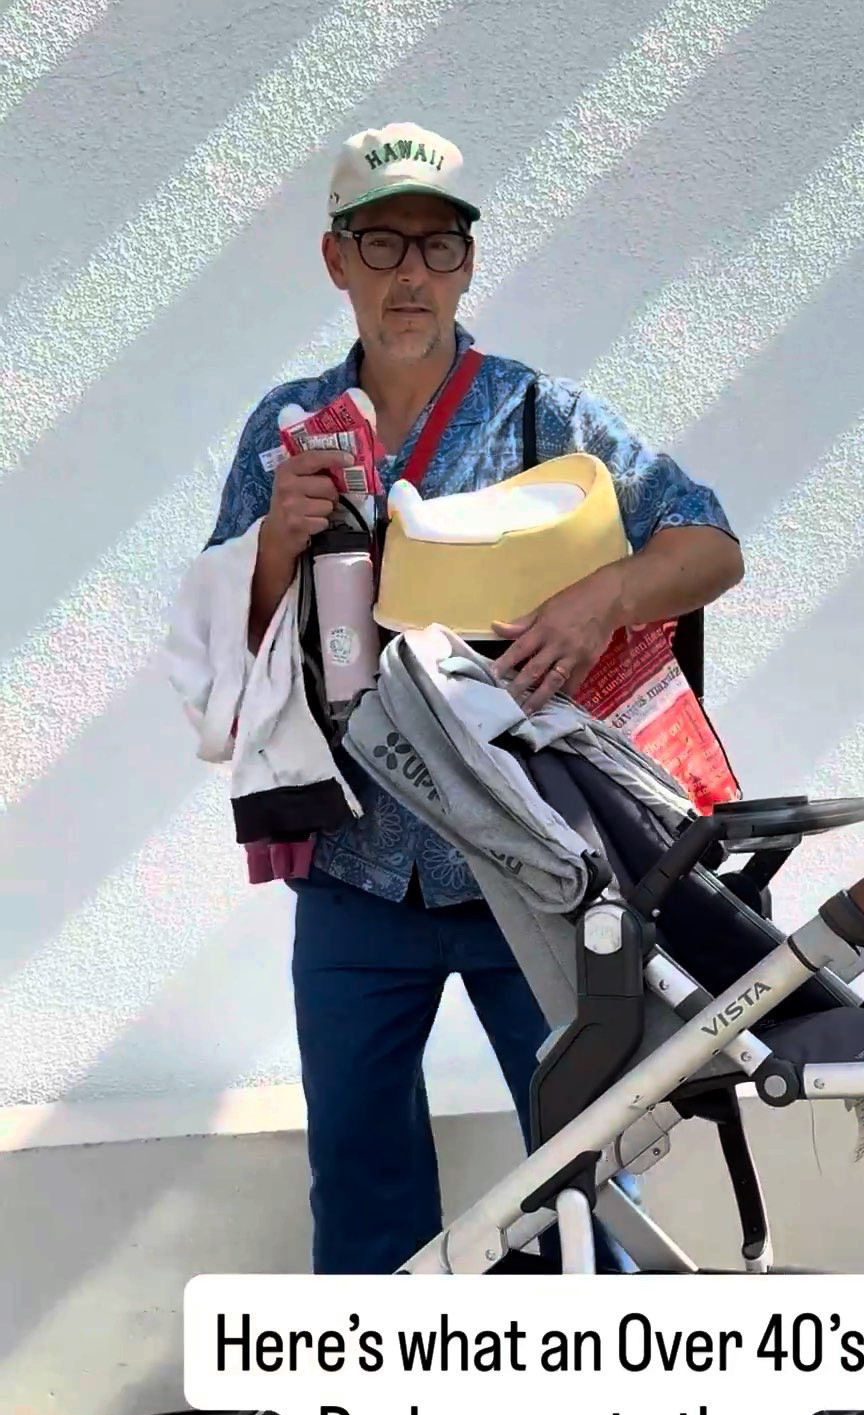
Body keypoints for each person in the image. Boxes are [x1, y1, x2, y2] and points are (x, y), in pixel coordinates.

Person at [204, 120, 744, 1277]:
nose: (411, 273)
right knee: (360, 1187)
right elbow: (228, 644)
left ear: (466, 263)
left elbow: (709, 542)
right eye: (382, 242)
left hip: (538, 867)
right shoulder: (287, 430)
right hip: (354, 870)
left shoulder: (542, 416)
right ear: (335, 260)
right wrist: (273, 545)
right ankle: (385, 1390)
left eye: (438, 244)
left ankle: (605, 1385)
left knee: (586, 1176)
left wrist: (603, 597)